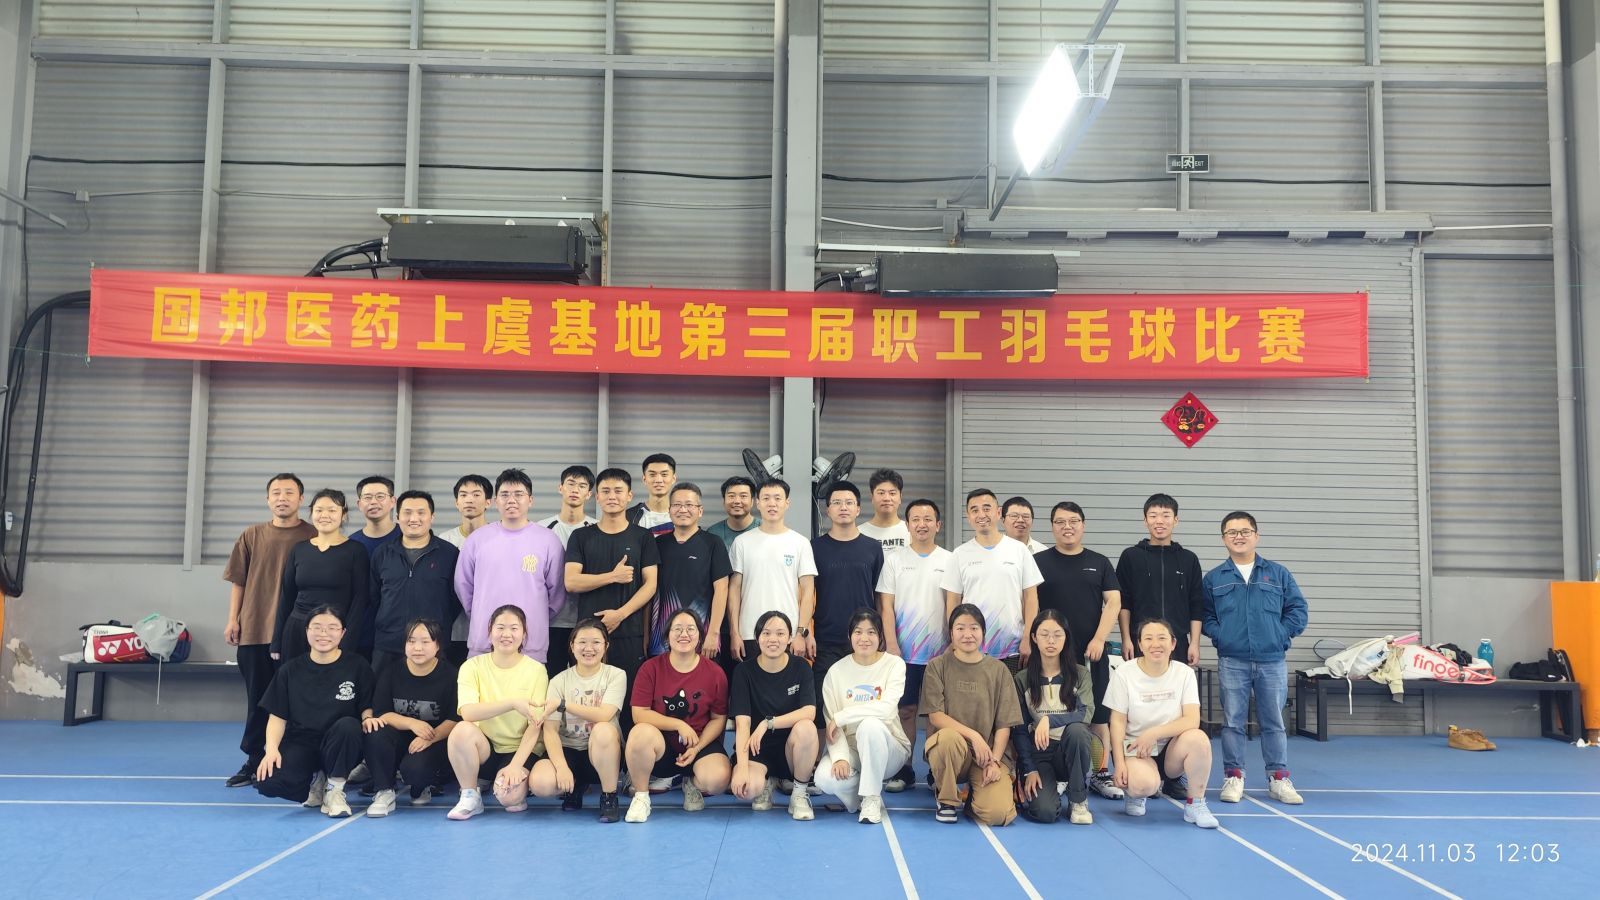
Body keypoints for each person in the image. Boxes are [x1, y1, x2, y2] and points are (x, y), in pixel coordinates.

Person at [1203, 511, 1308, 806]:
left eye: (1245, 531)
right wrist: (1222, 636)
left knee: (1274, 722)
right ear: (1223, 539)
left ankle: (1278, 778)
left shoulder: (1278, 574)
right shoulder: (1214, 578)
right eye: (1232, 532)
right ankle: (1234, 776)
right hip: (1232, 660)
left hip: (1272, 660)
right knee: (1232, 722)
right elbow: (1205, 615)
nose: (1239, 537)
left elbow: (1298, 610)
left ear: (1256, 536)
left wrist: (1280, 635)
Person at [223, 473, 316, 787]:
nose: (282, 498)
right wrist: (233, 619)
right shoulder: (251, 535)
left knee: (297, 700)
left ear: (301, 499)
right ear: (267, 499)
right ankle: (253, 759)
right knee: (258, 700)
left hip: (297, 635)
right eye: (276, 493)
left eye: (289, 492)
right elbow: (238, 581)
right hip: (255, 631)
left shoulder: (313, 534)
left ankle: (291, 761)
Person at [1032, 501, 1123, 800]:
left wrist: (1099, 639)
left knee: (1098, 716)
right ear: (1052, 527)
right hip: (1049, 656)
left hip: (1090, 654)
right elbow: (1029, 603)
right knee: (1051, 712)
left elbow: (1114, 602)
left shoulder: (1099, 562)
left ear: (1083, 525)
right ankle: (1056, 771)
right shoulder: (1038, 561)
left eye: (1073, 521)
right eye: (1060, 522)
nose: (1067, 527)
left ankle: (1099, 772)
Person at [254, 607, 374, 818]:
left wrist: (367, 718)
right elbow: (277, 717)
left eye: (332, 628)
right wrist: (271, 750)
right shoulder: (289, 670)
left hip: (341, 743)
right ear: (307, 631)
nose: (323, 634)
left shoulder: (357, 665)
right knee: (269, 782)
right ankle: (315, 779)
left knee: (348, 725)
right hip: (302, 742)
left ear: (343, 633)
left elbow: (367, 705)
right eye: (317, 627)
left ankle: (334, 789)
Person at [1104, 618, 1218, 829]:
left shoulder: (1184, 673)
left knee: (1199, 739)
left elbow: (1191, 719)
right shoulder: (1124, 673)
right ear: (1140, 644)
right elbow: (1117, 722)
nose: (1155, 644)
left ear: (1173, 643)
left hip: (1172, 749)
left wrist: (1154, 733)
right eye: (1148, 638)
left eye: (1162, 638)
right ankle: (1136, 794)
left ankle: (1196, 804)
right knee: (1144, 785)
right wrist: (1119, 764)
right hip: (1136, 748)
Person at [624, 609, 731, 822]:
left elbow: (718, 719)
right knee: (639, 734)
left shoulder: (715, 672)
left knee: (718, 780)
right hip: (662, 746)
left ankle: (692, 783)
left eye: (691, 629)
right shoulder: (650, 668)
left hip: (699, 744)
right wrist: (678, 724)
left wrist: (697, 747)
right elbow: (639, 714)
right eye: (678, 629)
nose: (684, 634)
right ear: (667, 635)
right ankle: (641, 797)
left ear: (700, 636)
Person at [444, 605, 550, 820]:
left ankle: (514, 785)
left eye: (514, 628)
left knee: (509, 798)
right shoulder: (472, 666)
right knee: (461, 730)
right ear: (490, 631)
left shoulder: (537, 670)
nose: (506, 634)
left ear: (524, 633)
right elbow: (468, 713)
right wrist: (512, 703)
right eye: (500, 627)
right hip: (486, 747)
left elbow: (536, 725)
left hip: (520, 749)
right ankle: (470, 795)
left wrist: (515, 765)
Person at [564, 467, 659, 705]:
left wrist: (621, 614)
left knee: (628, 702)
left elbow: (650, 585)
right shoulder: (581, 536)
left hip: (630, 633)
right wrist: (612, 576)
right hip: (588, 636)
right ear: (597, 497)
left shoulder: (643, 537)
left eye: (618, 491)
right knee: (588, 701)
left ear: (629, 496)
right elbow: (571, 582)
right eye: (605, 491)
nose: (612, 496)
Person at [922, 604, 1022, 825]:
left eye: (974, 628)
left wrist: (995, 761)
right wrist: (974, 736)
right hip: (952, 752)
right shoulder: (937, 666)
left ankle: (973, 799)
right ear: (951, 633)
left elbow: (1004, 724)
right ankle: (946, 799)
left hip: (987, 756)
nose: (967, 634)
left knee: (997, 815)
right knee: (947, 738)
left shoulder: (999, 670)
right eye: (960, 628)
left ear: (983, 632)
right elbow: (935, 716)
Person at [877, 497, 951, 793]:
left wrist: (952, 647)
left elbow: (954, 607)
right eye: (916, 519)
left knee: (935, 714)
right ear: (907, 525)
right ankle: (904, 768)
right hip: (903, 653)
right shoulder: (895, 560)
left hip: (940, 655)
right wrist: (891, 644)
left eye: (928, 519)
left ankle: (934, 769)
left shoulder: (950, 560)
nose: (922, 524)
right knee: (905, 711)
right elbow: (886, 606)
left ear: (938, 525)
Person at [454, 468, 567, 662]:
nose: (511, 500)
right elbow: (463, 588)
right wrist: (481, 614)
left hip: (531, 648)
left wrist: (535, 617)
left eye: (518, 494)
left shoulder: (549, 540)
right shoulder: (477, 539)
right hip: (483, 645)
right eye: (505, 495)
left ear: (530, 500)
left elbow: (556, 594)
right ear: (495, 501)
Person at [815, 609, 909, 824]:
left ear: (880, 637)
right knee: (824, 779)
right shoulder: (836, 672)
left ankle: (871, 798)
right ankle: (858, 798)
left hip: (889, 748)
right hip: (852, 748)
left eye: (871, 632)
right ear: (849, 636)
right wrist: (840, 756)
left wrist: (843, 716)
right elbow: (831, 722)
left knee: (870, 725)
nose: (864, 638)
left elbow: (886, 710)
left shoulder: (894, 665)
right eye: (858, 632)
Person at [529, 617, 627, 823]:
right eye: (582, 642)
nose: (588, 648)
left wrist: (563, 704)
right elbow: (550, 730)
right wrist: (561, 767)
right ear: (572, 646)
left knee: (603, 729)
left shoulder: (616, 675)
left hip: (601, 751)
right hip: (568, 750)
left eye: (596, 642)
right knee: (540, 784)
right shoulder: (558, 681)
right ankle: (574, 786)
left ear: (606, 645)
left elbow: (604, 715)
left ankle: (609, 797)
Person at [360, 618, 458, 817]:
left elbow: (455, 719)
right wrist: (412, 723)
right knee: (375, 730)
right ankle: (384, 791)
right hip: (399, 737)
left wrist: (429, 737)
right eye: (411, 641)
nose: (417, 648)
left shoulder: (451, 675)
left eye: (425, 641)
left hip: (434, 740)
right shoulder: (391, 671)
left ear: (437, 645)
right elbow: (381, 713)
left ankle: (422, 786)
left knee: (415, 770)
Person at [729, 611, 819, 820]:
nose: (773, 639)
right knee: (746, 790)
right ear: (757, 637)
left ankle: (799, 794)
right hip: (757, 748)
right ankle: (766, 782)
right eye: (766, 633)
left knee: (807, 727)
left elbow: (809, 712)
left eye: (780, 634)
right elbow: (742, 724)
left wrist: (767, 723)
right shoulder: (743, 671)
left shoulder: (801, 667)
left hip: (791, 749)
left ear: (789, 638)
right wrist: (741, 767)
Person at [941, 489, 1042, 670]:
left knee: (1012, 690)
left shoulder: (1019, 550)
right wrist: (955, 639)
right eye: (975, 510)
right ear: (968, 516)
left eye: (987, 508)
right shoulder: (959, 554)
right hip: (972, 648)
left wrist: (1028, 637)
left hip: (1013, 649)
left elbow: (1031, 598)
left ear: (998, 512)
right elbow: (953, 601)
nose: (981, 515)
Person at [811, 482, 883, 733]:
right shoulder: (814, 548)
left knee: (861, 705)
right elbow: (807, 595)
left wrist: (880, 636)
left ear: (858, 509)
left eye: (849, 503)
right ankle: (820, 757)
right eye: (837, 503)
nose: (843, 507)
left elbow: (879, 595)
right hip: (825, 641)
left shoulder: (872, 548)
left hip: (863, 640)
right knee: (822, 707)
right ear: (828, 510)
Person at [1012, 609, 1094, 825]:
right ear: (1034, 637)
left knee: (1078, 731)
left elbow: (1085, 713)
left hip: (1069, 749)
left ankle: (1078, 800)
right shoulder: (1022, 679)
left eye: (1057, 635)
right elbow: (1019, 729)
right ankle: (1052, 788)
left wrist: (1048, 720)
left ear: (1066, 638)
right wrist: (1029, 769)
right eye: (1044, 634)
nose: (1051, 641)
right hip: (1040, 754)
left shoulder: (1080, 675)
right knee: (1045, 813)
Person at [368, 490, 459, 675]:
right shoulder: (383, 553)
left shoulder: (449, 554)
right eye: (407, 512)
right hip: (388, 645)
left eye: (421, 512)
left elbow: (456, 599)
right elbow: (374, 596)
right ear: (397, 517)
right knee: (381, 692)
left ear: (432, 517)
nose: (414, 518)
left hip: (432, 645)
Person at [273, 489, 370, 661]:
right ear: (312, 514)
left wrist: (347, 643)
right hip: (297, 630)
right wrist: (277, 641)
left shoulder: (356, 550)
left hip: (333, 633)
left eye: (332, 510)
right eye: (319, 510)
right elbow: (286, 597)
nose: (325, 515)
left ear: (343, 515)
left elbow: (359, 601)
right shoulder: (299, 549)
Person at [727, 479, 818, 664]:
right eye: (766, 498)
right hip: (749, 633)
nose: (772, 503)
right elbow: (734, 589)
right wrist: (734, 633)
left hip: (788, 634)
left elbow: (808, 591)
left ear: (787, 503)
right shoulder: (742, 542)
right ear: (758, 503)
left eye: (777, 498)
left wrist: (801, 632)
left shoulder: (800, 543)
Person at [1116, 493, 1204, 668]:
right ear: (1145, 520)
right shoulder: (1131, 556)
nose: (1159, 521)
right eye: (1153, 515)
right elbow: (1123, 602)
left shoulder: (1188, 559)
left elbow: (1196, 604)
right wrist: (1126, 638)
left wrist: (1194, 643)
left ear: (1176, 520)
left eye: (1166, 516)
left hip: (1177, 643)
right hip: (1141, 642)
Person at [651, 483, 732, 659]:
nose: (683, 510)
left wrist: (713, 633)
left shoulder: (713, 543)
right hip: (663, 638)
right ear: (669, 510)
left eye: (689, 505)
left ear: (700, 511)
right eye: (677, 505)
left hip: (703, 636)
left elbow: (722, 589)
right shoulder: (657, 544)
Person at [542, 465, 598, 674]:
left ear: (589, 494)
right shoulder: (541, 529)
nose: (575, 489)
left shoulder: (597, 529)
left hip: (586, 620)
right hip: (550, 621)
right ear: (560, 488)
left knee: (585, 679)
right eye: (571, 484)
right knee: (550, 679)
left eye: (582, 486)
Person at [438, 473, 493, 664]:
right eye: (463, 495)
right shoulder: (444, 540)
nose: (469, 499)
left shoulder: (498, 538)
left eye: (476, 494)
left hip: (488, 631)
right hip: (451, 631)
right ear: (456, 503)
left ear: (488, 502)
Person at [856, 468, 909, 554]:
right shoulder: (859, 533)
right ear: (872, 497)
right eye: (881, 493)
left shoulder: (911, 532)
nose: (887, 498)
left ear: (900, 497)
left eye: (892, 493)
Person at [627, 453, 677, 537]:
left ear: (673, 479)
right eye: (652, 475)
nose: (658, 480)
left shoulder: (683, 514)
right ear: (644, 479)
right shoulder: (629, 517)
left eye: (664, 474)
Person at [705, 475, 758, 550]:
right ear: (724, 501)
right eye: (731, 496)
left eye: (743, 496)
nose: (737, 501)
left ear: (752, 501)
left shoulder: (764, 529)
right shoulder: (713, 533)